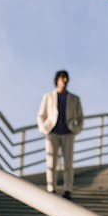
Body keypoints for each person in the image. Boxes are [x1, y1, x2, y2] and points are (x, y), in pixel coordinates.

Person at [37, 70, 84, 200]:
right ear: (57, 79)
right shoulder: (48, 97)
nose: (64, 80)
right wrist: (43, 128)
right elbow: (41, 115)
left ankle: (68, 190)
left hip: (68, 134)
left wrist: (77, 129)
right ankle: (51, 189)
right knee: (51, 162)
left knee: (68, 163)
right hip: (52, 133)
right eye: (62, 78)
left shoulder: (75, 99)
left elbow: (80, 117)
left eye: (66, 78)